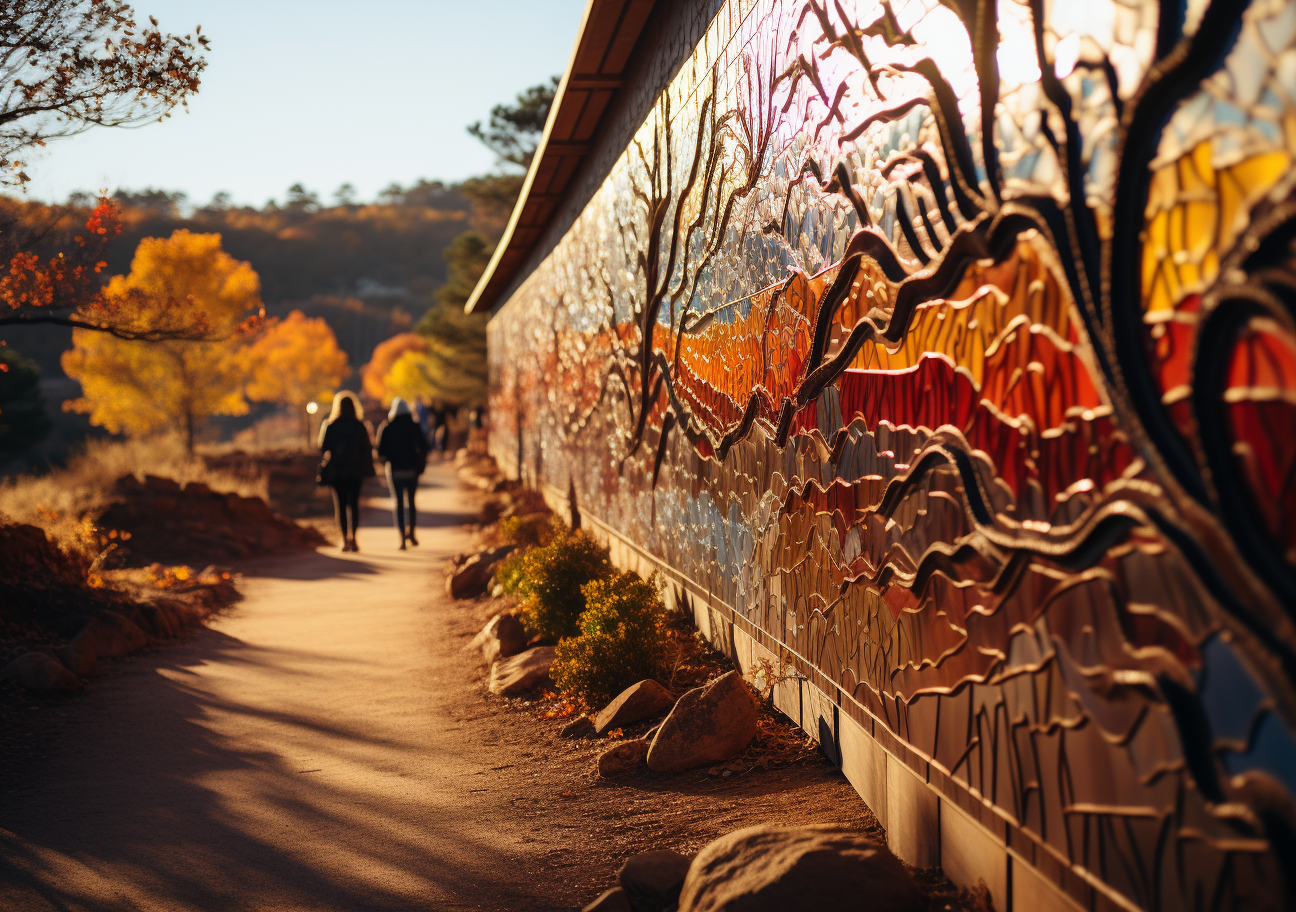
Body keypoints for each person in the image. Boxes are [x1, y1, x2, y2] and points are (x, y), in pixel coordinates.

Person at [318, 390, 374, 552]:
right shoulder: (359, 426)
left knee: (340, 506)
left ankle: (344, 540)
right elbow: (367, 450)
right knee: (354, 505)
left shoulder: (331, 425)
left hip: (336, 471)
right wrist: (368, 469)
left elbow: (323, 448)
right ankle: (354, 538)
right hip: (355, 471)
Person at [376, 397, 428, 549]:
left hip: (395, 471)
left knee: (398, 503)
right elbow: (425, 446)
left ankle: (402, 539)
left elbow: (381, 452)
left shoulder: (387, 427)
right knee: (411, 502)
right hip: (412, 471)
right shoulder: (415, 426)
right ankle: (411, 534)